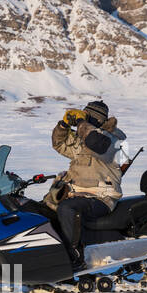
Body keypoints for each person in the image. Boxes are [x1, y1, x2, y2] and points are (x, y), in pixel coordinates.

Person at [44, 100, 128, 271]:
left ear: (95, 119)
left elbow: (96, 142)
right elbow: (59, 144)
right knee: (42, 212)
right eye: (82, 116)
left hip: (100, 198)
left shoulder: (112, 140)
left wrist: (82, 122)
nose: (82, 121)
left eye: (86, 117)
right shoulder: (85, 139)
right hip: (77, 194)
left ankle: (75, 257)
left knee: (67, 209)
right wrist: (63, 125)